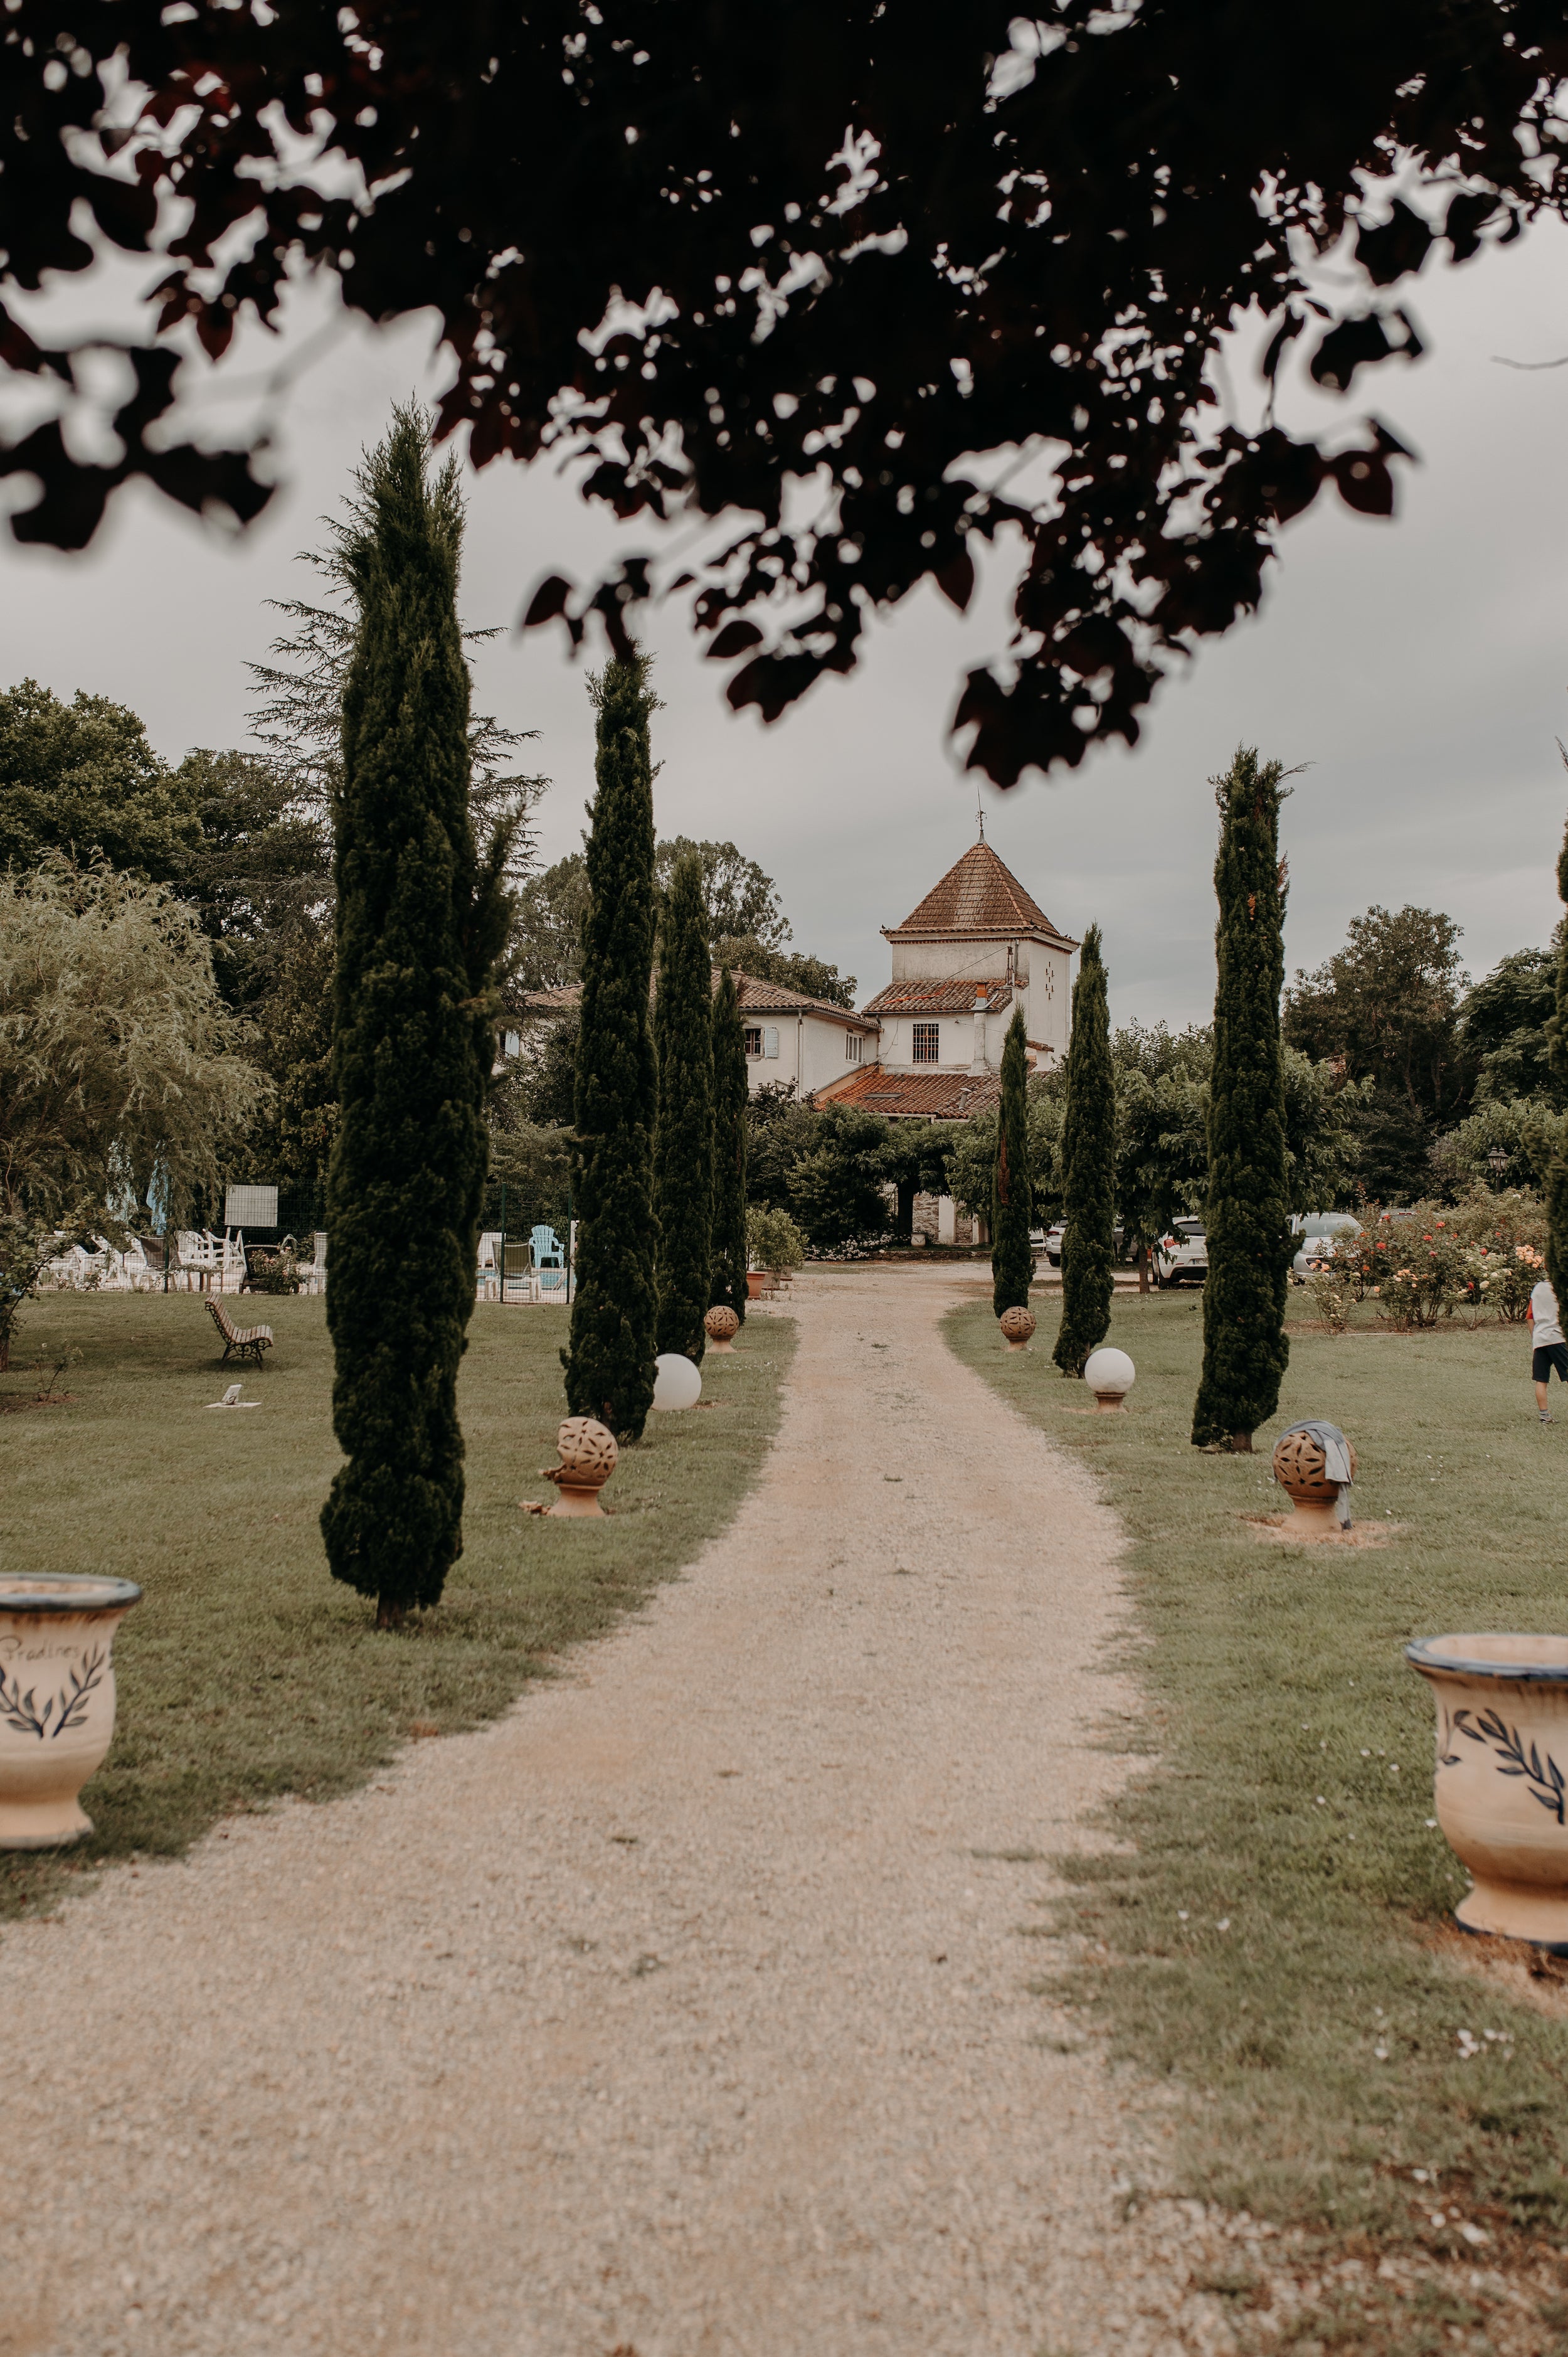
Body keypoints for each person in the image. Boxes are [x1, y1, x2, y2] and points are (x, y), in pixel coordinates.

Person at [1528, 1273, 1566, 1424]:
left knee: (1541, 1379)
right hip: (1558, 1338)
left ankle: (1545, 1417)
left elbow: (1530, 1316)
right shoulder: (1562, 1288)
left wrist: (1535, 1338)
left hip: (1540, 1339)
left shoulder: (1537, 1289)